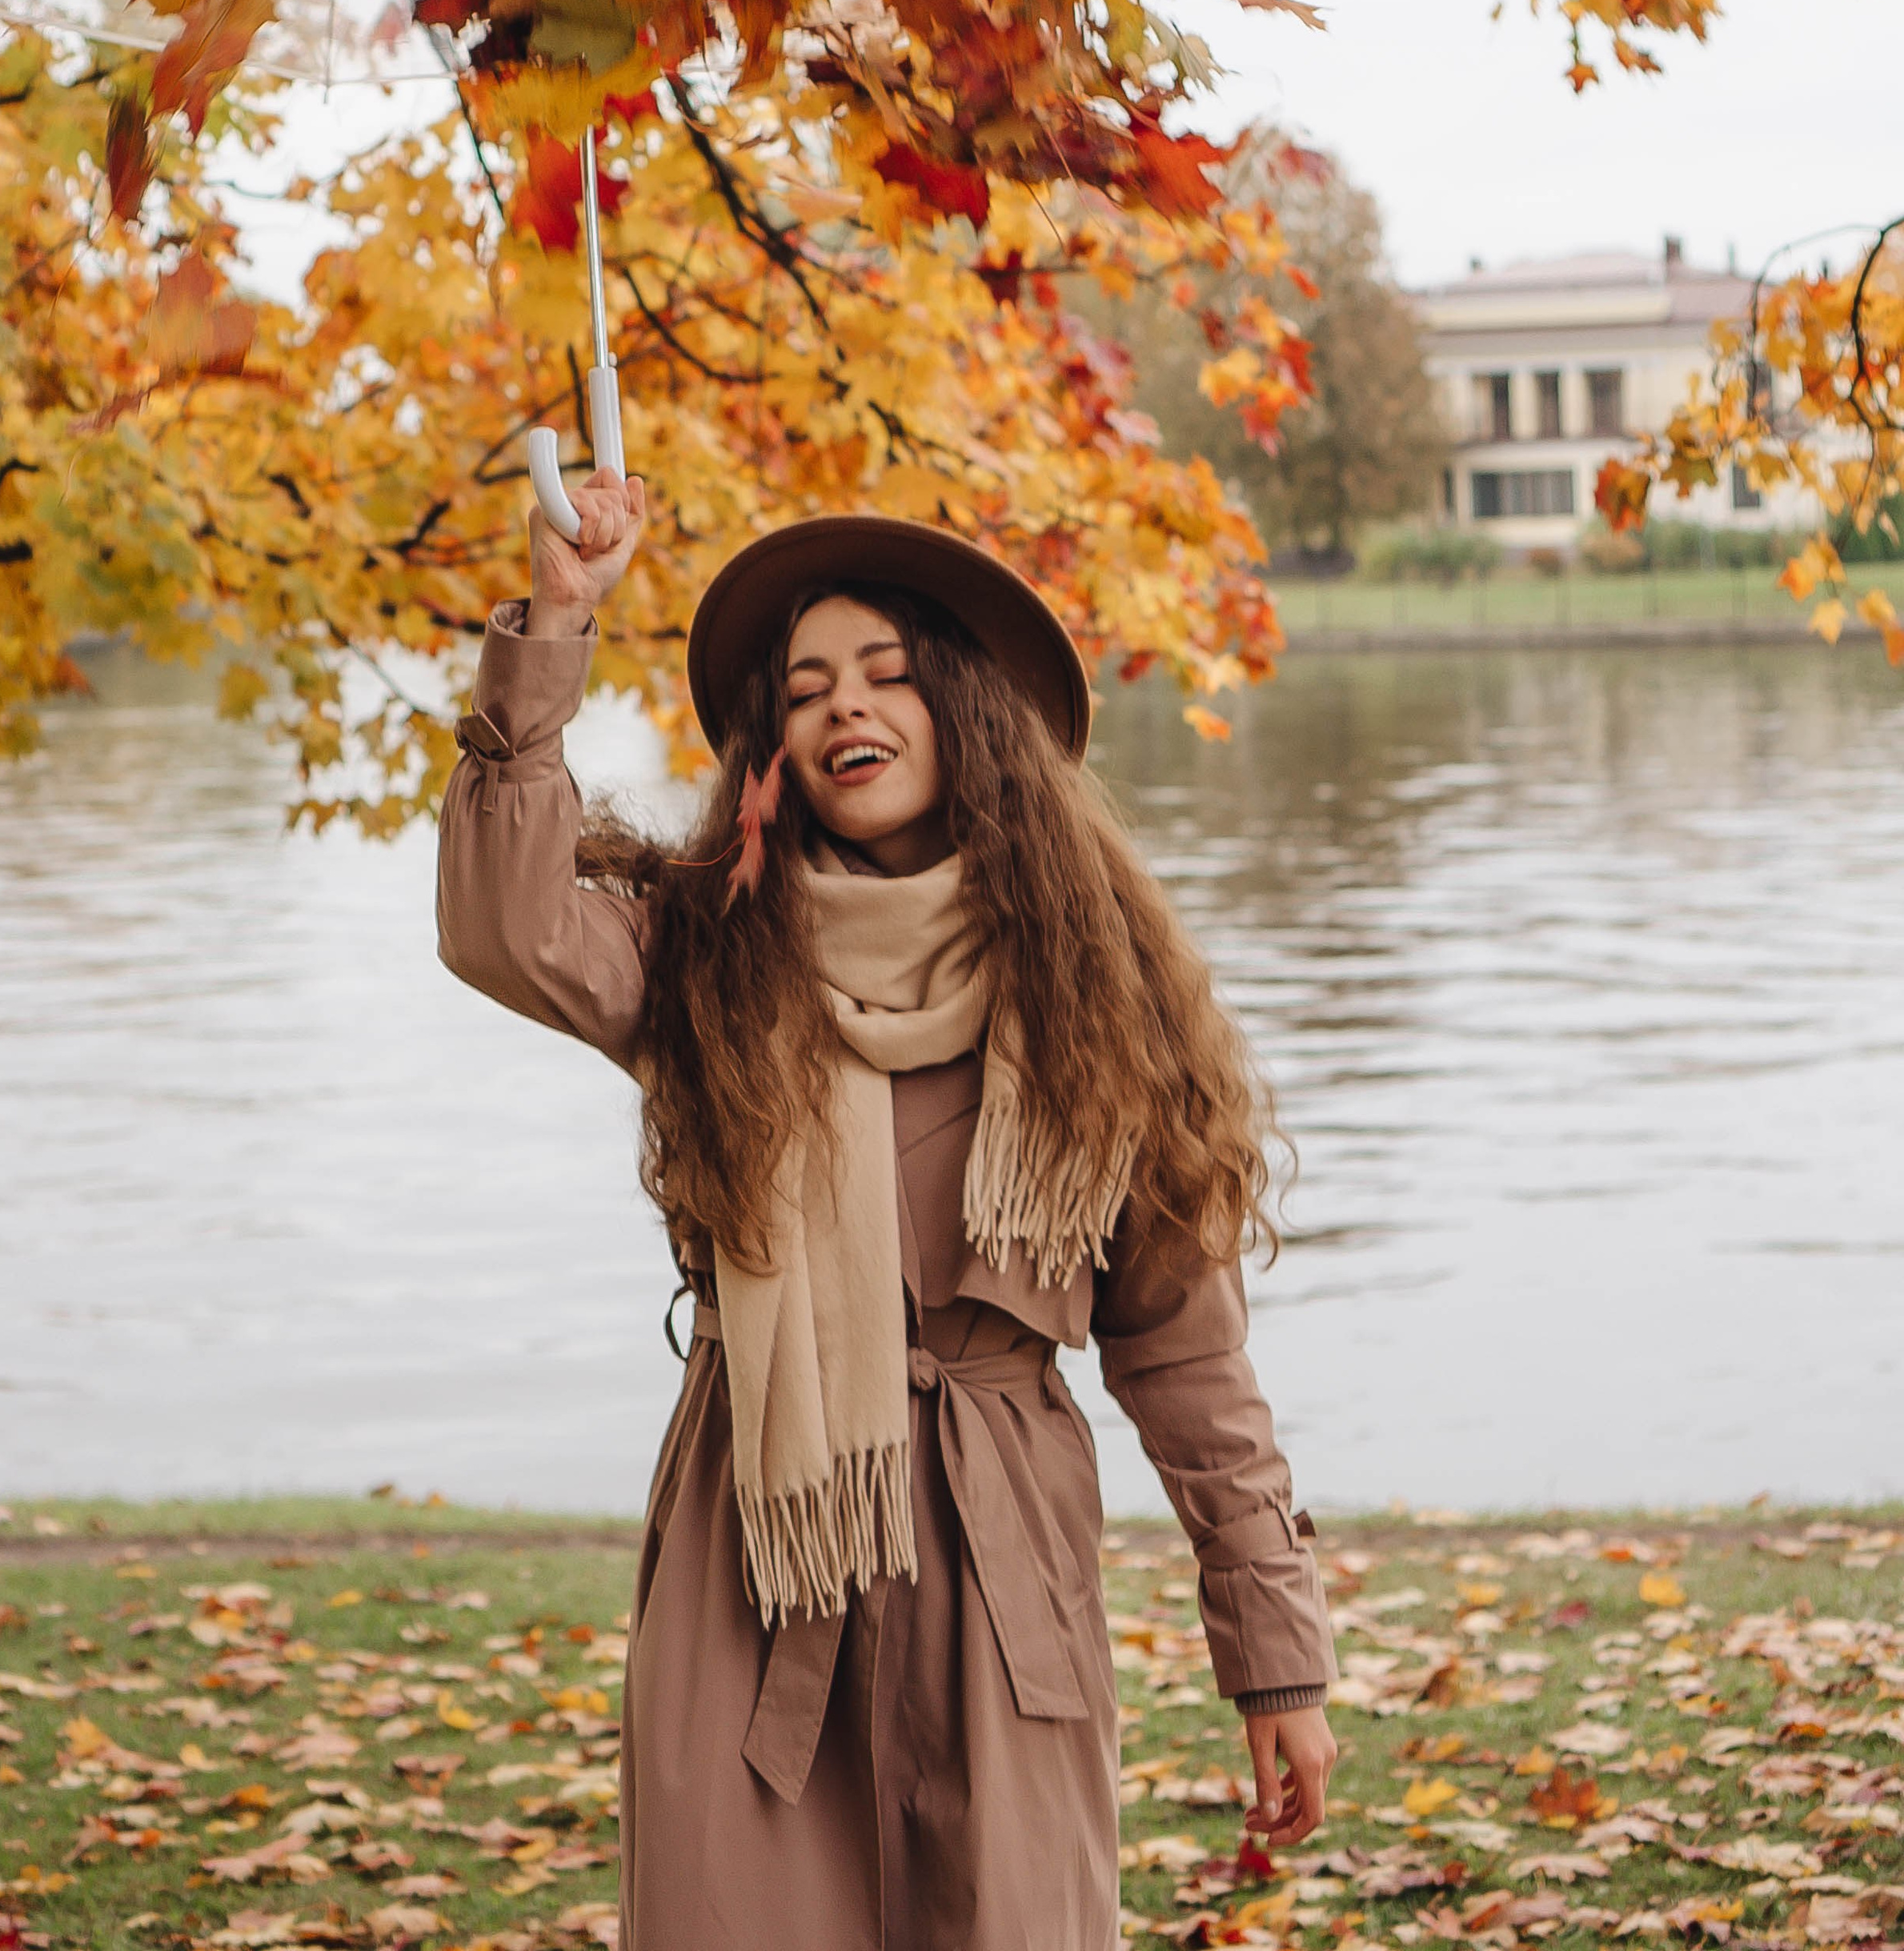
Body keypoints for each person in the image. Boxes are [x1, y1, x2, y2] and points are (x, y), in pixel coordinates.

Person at [436, 470, 1337, 1951]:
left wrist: (1276, 1657)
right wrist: (553, 626)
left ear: (964, 707)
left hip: (1004, 1569)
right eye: (805, 687)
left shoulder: (1098, 989)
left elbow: (1184, 1356)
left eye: (887, 672)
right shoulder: (707, 952)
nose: (845, 706)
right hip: (761, 1548)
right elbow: (505, 922)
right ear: (774, 746)